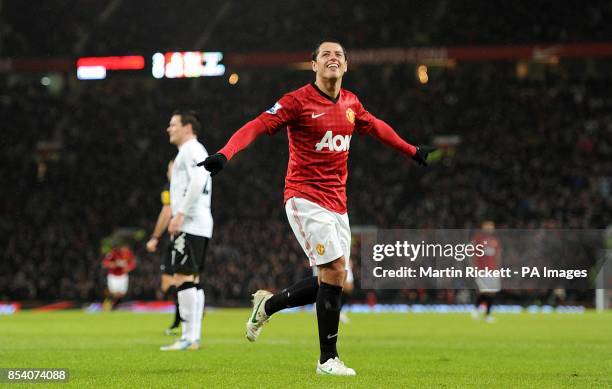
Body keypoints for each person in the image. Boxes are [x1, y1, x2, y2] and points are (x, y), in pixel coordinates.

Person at [199, 40, 434, 375]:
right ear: (314, 65)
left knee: (335, 279)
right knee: (336, 271)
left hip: (338, 203)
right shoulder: (297, 101)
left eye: (338, 54)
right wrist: (226, 153)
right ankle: (327, 359)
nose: (332, 58)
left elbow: (377, 126)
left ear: (346, 65)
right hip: (304, 197)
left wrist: (411, 150)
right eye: (325, 54)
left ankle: (268, 305)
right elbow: (257, 125)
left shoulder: (352, 102)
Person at [160, 110, 213, 351]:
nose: (169, 129)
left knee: (181, 277)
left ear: (187, 128)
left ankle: (188, 337)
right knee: (192, 278)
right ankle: (193, 337)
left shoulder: (191, 150)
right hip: (199, 222)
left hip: (190, 222)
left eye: (173, 125)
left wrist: (179, 213)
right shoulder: (193, 151)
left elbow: (199, 180)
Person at [145, 160, 182, 334]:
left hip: (176, 237)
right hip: (193, 234)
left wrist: (155, 237)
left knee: (169, 284)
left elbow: (167, 211)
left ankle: (193, 303)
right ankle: (180, 319)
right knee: (184, 280)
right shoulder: (187, 185)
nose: (168, 171)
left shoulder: (170, 187)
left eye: (170, 167)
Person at [470, 220, 502, 323]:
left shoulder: (495, 241)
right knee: (484, 291)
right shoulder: (478, 239)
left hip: (492, 270)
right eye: (487, 227)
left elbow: (498, 256)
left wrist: (498, 269)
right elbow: (471, 254)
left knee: (491, 293)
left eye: (491, 227)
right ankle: (476, 310)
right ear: (483, 228)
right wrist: (474, 268)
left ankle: (487, 315)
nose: (489, 229)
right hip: (481, 270)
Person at [102, 244, 136, 310]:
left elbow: (132, 263)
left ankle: (113, 305)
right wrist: (115, 264)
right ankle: (109, 304)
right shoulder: (113, 253)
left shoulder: (128, 253)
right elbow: (105, 263)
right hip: (113, 275)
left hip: (123, 275)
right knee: (113, 292)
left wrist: (128, 268)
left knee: (121, 293)